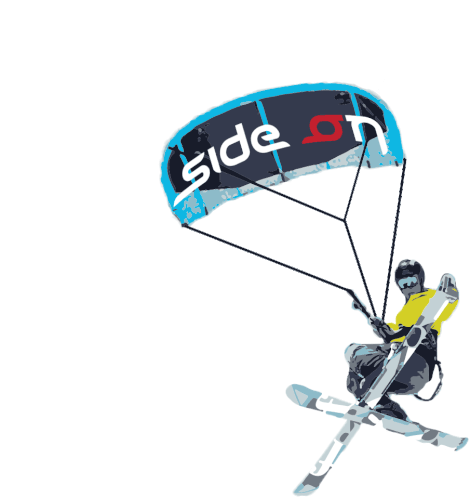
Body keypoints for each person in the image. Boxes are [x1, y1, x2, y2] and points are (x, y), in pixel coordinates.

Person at [344, 259, 459, 420]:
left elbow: (449, 302)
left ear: (420, 279)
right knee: (353, 357)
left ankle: (373, 399)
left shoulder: (431, 297)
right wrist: (380, 326)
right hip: (399, 369)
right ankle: (386, 409)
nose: (408, 287)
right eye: (403, 283)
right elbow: (393, 333)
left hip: (416, 363)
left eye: (412, 281)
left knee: (357, 356)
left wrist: (449, 285)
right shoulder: (403, 312)